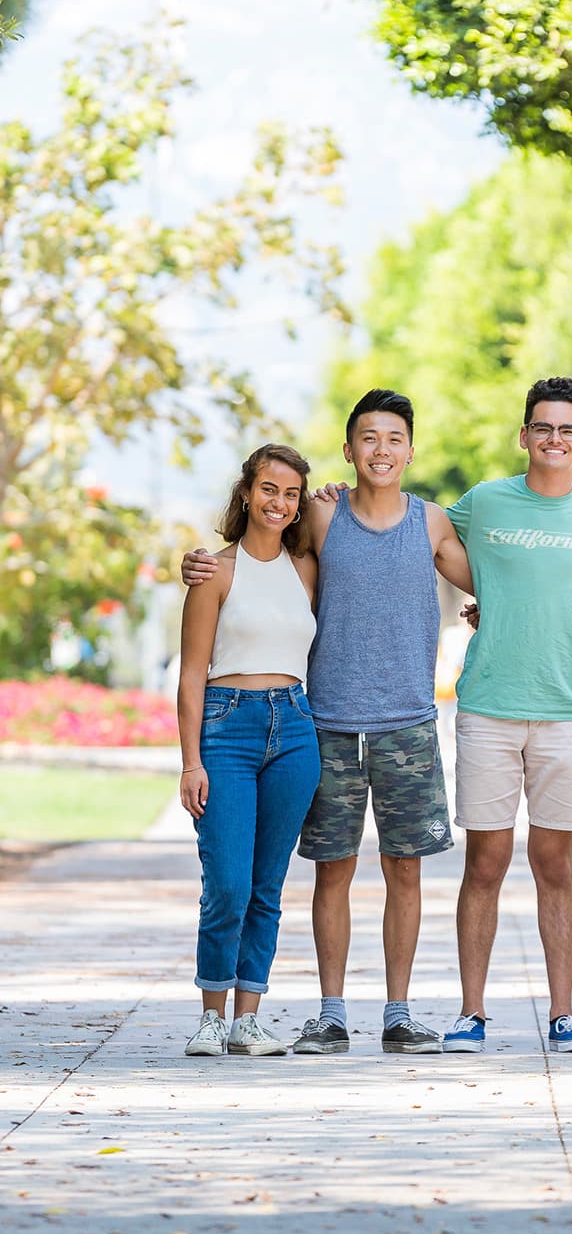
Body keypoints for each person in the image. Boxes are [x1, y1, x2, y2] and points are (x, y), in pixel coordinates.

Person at [182, 391, 474, 1054]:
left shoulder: (431, 522)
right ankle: (331, 1014)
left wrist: (487, 605)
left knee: (406, 872)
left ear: (409, 448)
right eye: (368, 438)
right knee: (330, 872)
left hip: (408, 726)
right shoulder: (321, 513)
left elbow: (490, 579)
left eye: (394, 438)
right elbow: (259, 553)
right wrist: (197, 566)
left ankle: (398, 1013)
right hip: (326, 724)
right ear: (349, 450)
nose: (381, 450)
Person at [443, 376, 572, 1055]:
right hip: (489, 709)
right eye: (542, 428)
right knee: (485, 864)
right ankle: (471, 1013)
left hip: (567, 715)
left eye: (567, 430)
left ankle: (563, 1013)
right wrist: (484, 591)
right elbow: (423, 530)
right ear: (524, 436)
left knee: (555, 864)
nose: (554, 440)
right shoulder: (485, 502)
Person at [177, 445, 321, 1058]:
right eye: (268, 489)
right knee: (228, 882)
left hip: (294, 729)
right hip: (226, 727)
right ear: (245, 492)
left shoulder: (307, 568)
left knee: (268, 884)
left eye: (291, 494)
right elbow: (189, 675)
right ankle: (211, 1015)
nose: (279, 503)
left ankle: (248, 1019)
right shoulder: (216, 572)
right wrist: (191, 761)